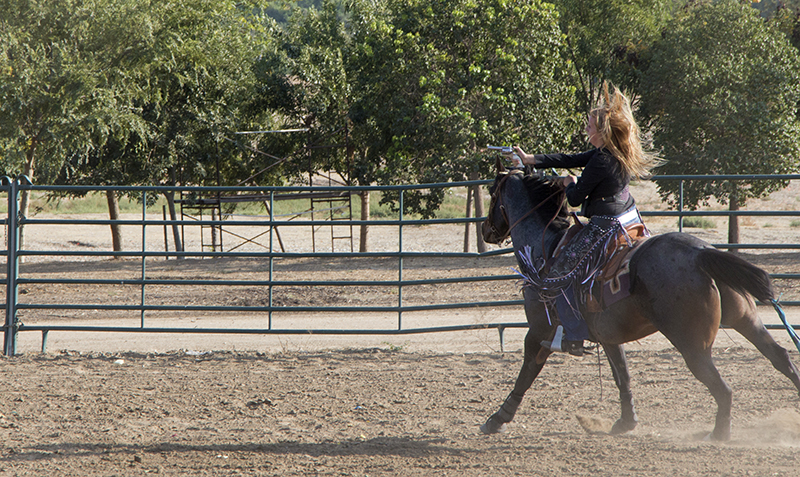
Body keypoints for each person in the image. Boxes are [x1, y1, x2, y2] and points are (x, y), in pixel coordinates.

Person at [507, 82, 660, 356]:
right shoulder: (611, 153)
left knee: (559, 273)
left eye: (590, 125)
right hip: (628, 218)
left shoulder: (602, 160)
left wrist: (568, 182)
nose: (586, 129)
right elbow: (570, 157)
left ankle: (574, 335)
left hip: (606, 225)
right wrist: (530, 158)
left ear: (601, 131)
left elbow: (575, 198)